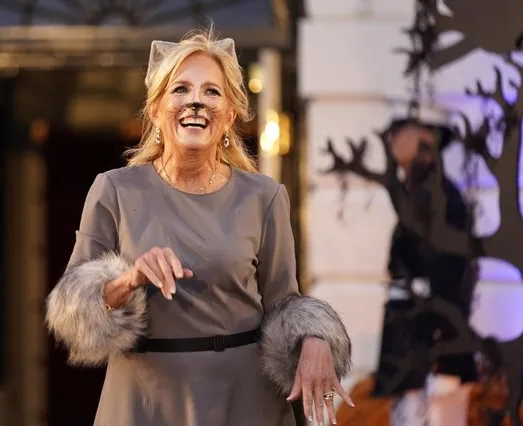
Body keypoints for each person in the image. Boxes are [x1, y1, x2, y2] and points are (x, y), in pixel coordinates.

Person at [45, 29, 353, 426]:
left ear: (229, 115)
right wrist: (129, 278)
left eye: (212, 91)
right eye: (180, 89)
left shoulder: (264, 196)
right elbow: (72, 311)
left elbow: (283, 302)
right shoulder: (114, 189)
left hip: (244, 399)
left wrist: (315, 337)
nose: (195, 101)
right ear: (155, 109)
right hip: (145, 397)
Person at [373, 119, 478, 425]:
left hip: (432, 352)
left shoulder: (442, 202)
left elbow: (452, 279)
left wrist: (446, 358)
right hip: (413, 348)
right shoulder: (418, 197)